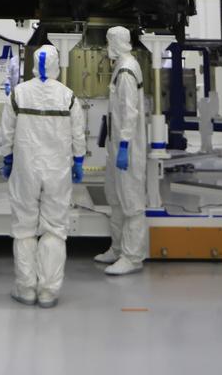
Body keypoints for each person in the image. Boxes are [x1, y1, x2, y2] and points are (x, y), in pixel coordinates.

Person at [1, 44, 85, 308]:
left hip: (26, 168)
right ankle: (49, 291)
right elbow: (78, 133)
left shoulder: (19, 93)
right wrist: (79, 160)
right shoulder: (68, 96)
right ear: (56, 65)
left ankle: (26, 288)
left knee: (24, 227)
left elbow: (7, 131)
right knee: (55, 227)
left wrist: (7, 157)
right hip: (57, 170)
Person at [94, 25, 147, 276]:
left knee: (131, 201)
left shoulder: (126, 70)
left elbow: (130, 111)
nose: (106, 46)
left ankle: (132, 256)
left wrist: (124, 144)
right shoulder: (121, 65)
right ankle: (117, 249)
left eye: (108, 41)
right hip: (117, 144)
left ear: (116, 42)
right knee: (115, 197)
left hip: (128, 146)